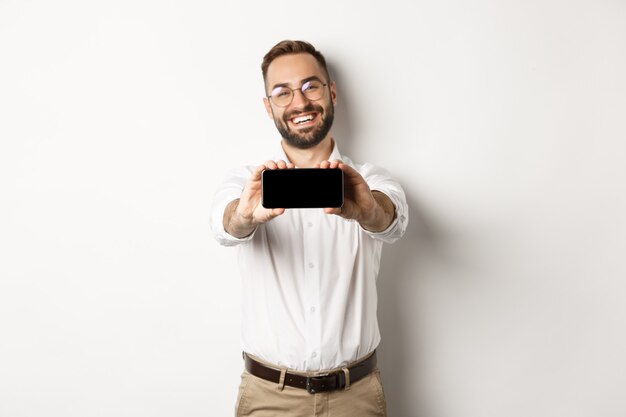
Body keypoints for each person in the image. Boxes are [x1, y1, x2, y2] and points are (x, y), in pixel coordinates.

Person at [210, 40, 408, 417]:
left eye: (310, 86)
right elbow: (224, 224)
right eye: (283, 93)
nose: (300, 103)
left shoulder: (369, 179)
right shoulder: (246, 182)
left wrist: (366, 210)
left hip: (357, 397)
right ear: (269, 108)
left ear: (331, 92)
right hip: (270, 398)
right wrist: (244, 216)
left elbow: (391, 220)